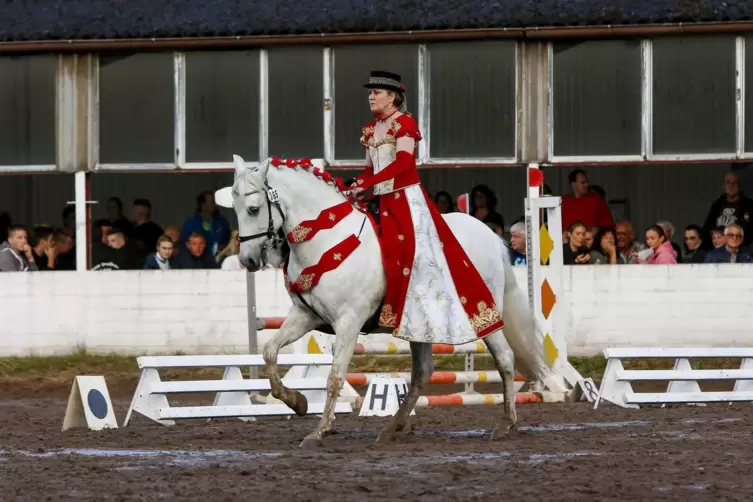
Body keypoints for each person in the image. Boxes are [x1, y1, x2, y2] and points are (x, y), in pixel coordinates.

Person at [349, 70, 503, 345]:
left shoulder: (405, 123)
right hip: (382, 201)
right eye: (370, 92)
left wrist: (369, 182)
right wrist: (356, 185)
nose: (371, 96)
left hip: (407, 200)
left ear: (392, 96)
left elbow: (403, 163)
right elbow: (368, 168)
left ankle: (433, 310)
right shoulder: (370, 130)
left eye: (376, 92)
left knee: (417, 257)